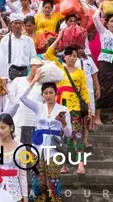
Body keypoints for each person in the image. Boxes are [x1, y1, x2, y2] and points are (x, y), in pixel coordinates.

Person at [18, 81, 71, 202]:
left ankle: (54, 199)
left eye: (51, 92)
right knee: (37, 178)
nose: (48, 95)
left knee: (54, 178)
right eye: (45, 93)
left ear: (56, 94)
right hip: (38, 146)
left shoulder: (63, 109)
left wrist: (63, 123)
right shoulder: (39, 107)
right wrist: (33, 80)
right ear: (43, 95)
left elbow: (68, 133)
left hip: (54, 148)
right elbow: (22, 97)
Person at [43, 40, 88, 174]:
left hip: (75, 107)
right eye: (70, 55)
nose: (72, 58)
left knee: (77, 135)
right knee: (61, 135)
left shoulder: (80, 73)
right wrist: (60, 37)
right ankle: (63, 163)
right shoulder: (59, 68)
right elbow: (48, 54)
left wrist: (88, 107)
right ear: (65, 57)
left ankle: (80, 164)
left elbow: (84, 91)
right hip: (61, 107)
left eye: (75, 56)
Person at [92, 10, 113, 125]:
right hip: (105, 63)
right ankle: (97, 117)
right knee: (103, 88)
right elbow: (95, 18)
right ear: (107, 23)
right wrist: (101, 7)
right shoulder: (104, 32)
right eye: (111, 21)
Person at [0, 114, 28, 201]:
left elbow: (23, 173)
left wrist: (25, 197)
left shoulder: (21, 147)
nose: (0, 131)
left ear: (11, 127)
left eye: (3, 128)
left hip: (14, 190)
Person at [7, 58, 43, 144]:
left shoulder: (42, 84)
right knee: (19, 151)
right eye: (37, 67)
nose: (39, 70)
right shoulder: (18, 80)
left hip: (35, 123)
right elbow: (11, 100)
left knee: (34, 153)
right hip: (20, 121)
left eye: (41, 67)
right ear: (30, 67)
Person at [1, 13, 36, 80]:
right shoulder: (5, 40)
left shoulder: (29, 40)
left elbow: (33, 59)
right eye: (15, 23)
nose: (18, 26)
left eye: (20, 23)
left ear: (22, 25)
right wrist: (3, 77)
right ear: (11, 25)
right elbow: (2, 60)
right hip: (9, 76)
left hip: (25, 76)